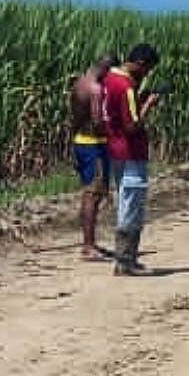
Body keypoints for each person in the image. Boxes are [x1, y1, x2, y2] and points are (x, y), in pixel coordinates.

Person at [103, 44, 162, 276]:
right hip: (130, 152)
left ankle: (126, 260)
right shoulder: (126, 86)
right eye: (147, 69)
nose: (146, 74)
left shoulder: (109, 79)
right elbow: (132, 126)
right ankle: (126, 261)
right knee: (131, 206)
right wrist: (148, 105)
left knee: (125, 202)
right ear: (140, 63)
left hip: (115, 150)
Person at [70, 55, 116, 261]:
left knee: (89, 193)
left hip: (81, 141)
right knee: (93, 195)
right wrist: (114, 133)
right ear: (107, 69)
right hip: (93, 145)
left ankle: (90, 243)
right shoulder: (96, 89)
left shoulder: (79, 83)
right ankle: (88, 246)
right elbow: (97, 122)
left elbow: (76, 118)